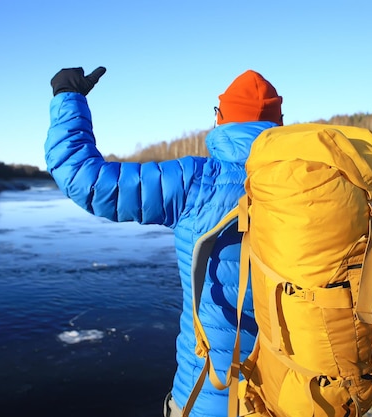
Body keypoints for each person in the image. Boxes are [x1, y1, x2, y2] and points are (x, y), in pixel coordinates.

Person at [45, 67, 283, 417]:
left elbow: (85, 179)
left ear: (220, 120)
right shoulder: (313, 187)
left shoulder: (195, 182)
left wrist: (68, 96)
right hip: (298, 398)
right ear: (279, 125)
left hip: (209, 400)